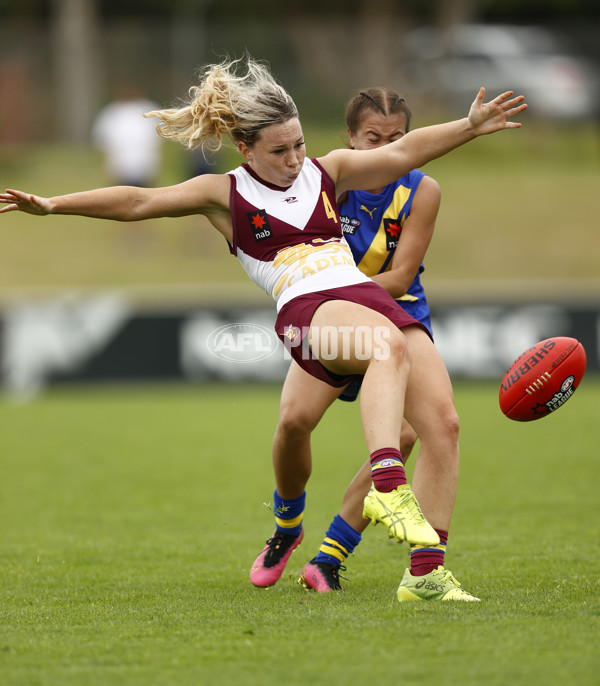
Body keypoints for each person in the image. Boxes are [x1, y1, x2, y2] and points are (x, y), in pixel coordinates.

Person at [0, 57, 526, 590]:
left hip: (361, 297)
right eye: (279, 150)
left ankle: (427, 578)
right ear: (246, 149)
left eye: (298, 144)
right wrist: (52, 204)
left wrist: (468, 127)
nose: (295, 159)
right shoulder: (224, 193)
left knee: (442, 423)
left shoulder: (328, 171)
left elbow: (404, 152)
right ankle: (365, 494)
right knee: (371, 358)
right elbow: (139, 200)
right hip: (306, 311)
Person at [249, 87, 471, 601]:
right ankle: (287, 525)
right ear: (350, 139)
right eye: (373, 138)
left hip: (398, 313)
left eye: (397, 139)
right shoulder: (327, 184)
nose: (384, 149)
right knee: (293, 422)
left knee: (425, 430)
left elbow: (401, 276)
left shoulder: (422, 190)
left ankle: (344, 560)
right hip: (331, 317)